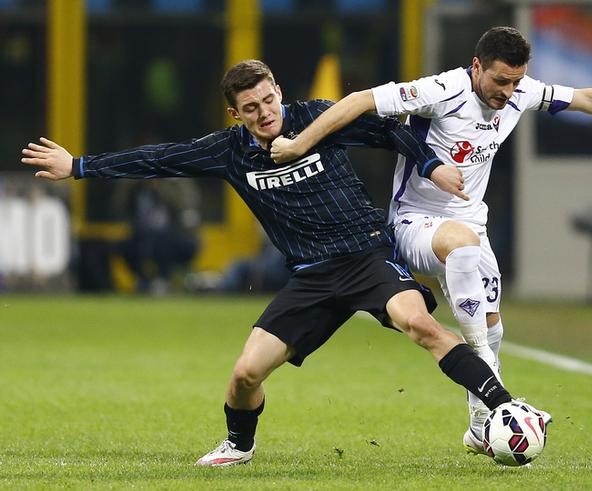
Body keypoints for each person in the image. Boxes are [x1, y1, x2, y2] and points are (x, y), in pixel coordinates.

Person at [20, 59, 546, 467]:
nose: (265, 112)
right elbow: (161, 157)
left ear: (279, 93)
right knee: (245, 375)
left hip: (366, 255)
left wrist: (430, 164)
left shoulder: (316, 118)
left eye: (269, 100)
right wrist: (80, 166)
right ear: (236, 113)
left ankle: (502, 405)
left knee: (420, 324)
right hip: (311, 278)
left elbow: (387, 130)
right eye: (252, 108)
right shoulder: (230, 151)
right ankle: (238, 445)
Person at [269, 26, 592, 455]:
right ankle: (493, 383)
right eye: (500, 80)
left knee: (494, 323)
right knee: (462, 251)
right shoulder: (441, 90)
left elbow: (587, 98)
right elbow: (361, 100)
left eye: (516, 80)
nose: (508, 90)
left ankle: (480, 428)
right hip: (414, 221)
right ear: (477, 66)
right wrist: (298, 144)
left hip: (471, 224)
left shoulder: (521, 92)